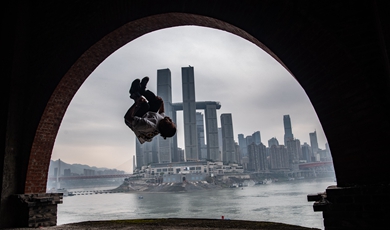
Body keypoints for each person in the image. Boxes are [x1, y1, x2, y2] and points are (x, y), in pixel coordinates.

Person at [124, 77, 176, 144]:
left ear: (163, 125)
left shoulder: (148, 126)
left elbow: (127, 118)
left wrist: (136, 103)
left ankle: (134, 93)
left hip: (131, 120)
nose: (170, 119)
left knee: (145, 106)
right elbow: (161, 112)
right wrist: (161, 102)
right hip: (147, 116)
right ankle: (142, 90)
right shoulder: (162, 122)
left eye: (169, 121)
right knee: (157, 102)